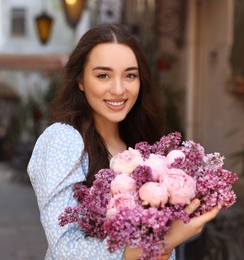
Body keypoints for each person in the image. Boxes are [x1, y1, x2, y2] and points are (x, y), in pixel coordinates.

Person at [27, 23, 219, 260]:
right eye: (103, 75)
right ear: (80, 81)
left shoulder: (141, 147)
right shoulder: (64, 139)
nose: (119, 89)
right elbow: (65, 247)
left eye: (130, 75)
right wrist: (164, 241)